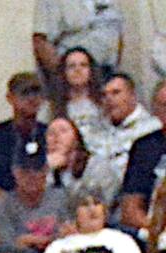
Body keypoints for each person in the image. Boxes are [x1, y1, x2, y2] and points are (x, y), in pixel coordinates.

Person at [96, 72, 162, 207]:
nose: (109, 99)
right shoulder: (97, 132)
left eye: (116, 93)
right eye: (104, 95)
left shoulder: (151, 130)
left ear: (133, 96)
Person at [0, 73, 50, 194]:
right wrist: (6, 205)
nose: (32, 98)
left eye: (36, 92)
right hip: (3, 204)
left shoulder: (49, 134)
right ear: (10, 98)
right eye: (24, 93)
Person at [34, 1, 123, 84]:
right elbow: (40, 41)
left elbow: (115, 33)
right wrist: (62, 81)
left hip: (107, 74)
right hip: (72, 79)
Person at [118, 80, 166, 232]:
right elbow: (130, 210)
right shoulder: (144, 148)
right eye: (165, 105)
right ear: (155, 111)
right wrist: (156, 231)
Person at [57, 49, 108, 147]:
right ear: (63, 72)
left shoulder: (105, 101)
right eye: (72, 66)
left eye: (83, 65)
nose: (78, 70)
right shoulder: (52, 107)